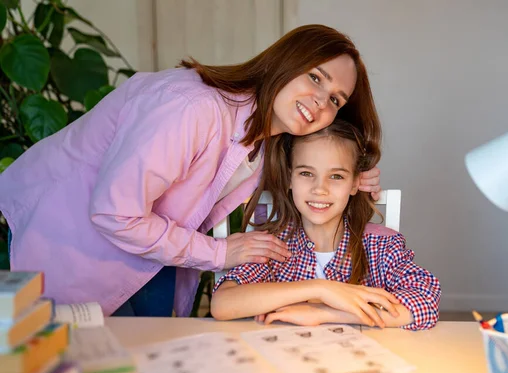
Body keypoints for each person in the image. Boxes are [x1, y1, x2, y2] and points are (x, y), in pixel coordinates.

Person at [0, 25, 383, 317]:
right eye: (315, 77)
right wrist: (218, 253)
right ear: (284, 62)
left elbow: (315, 169)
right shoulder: (192, 108)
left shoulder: (267, 139)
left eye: (335, 99)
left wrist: (351, 174)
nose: (320, 101)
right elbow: (115, 213)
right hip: (51, 236)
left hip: (146, 255)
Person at [211, 120, 441, 330]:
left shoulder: (381, 246)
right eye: (306, 173)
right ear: (290, 178)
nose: (319, 189)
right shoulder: (273, 246)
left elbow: (424, 302)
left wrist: (323, 312)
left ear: (354, 184)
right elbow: (222, 304)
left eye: (336, 176)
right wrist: (320, 288)